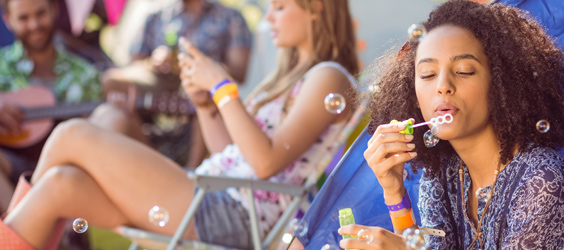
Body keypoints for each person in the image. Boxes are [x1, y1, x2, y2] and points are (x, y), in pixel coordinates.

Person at [0, 0, 358, 248]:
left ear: (316, 9)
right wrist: (205, 104)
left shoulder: (328, 76)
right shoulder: (285, 80)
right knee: (61, 184)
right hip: (216, 194)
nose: (269, 19)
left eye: (280, 7)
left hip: (236, 214)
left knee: (72, 134)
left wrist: (222, 86)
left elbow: (265, 163)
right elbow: (233, 153)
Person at [337, 1, 564, 249]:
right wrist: (394, 192)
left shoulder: (544, 183)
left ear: (502, 84)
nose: (442, 86)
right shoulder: (444, 175)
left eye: (464, 71)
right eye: (428, 74)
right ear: (413, 95)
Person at [98, 0, 253, 167]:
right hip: (161, 80)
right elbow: (134, 63)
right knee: (112, 83)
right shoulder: (156, 16)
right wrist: (154, 61)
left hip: (203, 82)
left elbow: (239, 72)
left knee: (206, 88)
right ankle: (154, 162)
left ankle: (194, 172)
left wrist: (201, 67)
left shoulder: (231, 17)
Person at [0, 0, 101, 214]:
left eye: (40, 14)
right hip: (12, 163)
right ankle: (20, 234)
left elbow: (99, 131)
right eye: (24, 18)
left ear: (54, 10)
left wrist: (114, 111)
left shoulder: (85, 74)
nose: (35, 25)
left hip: (65, 167)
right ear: (7, 21)